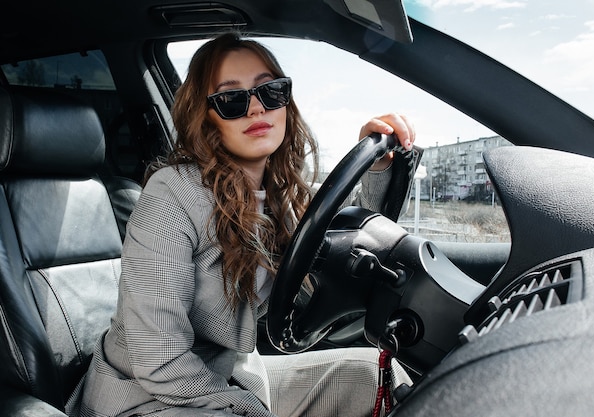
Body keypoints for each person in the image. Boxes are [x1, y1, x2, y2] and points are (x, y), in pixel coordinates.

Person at [79, 32, 415, 417]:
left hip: (228, 375)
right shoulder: (170, 194)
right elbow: (159, 360)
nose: (256, 109)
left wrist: (377, 166)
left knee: (372, 375)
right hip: (144, 397)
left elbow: (357, 237)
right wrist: (249, 409)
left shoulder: (281, 194)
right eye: (232, 100)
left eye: (270, 92)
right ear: (207, 118)